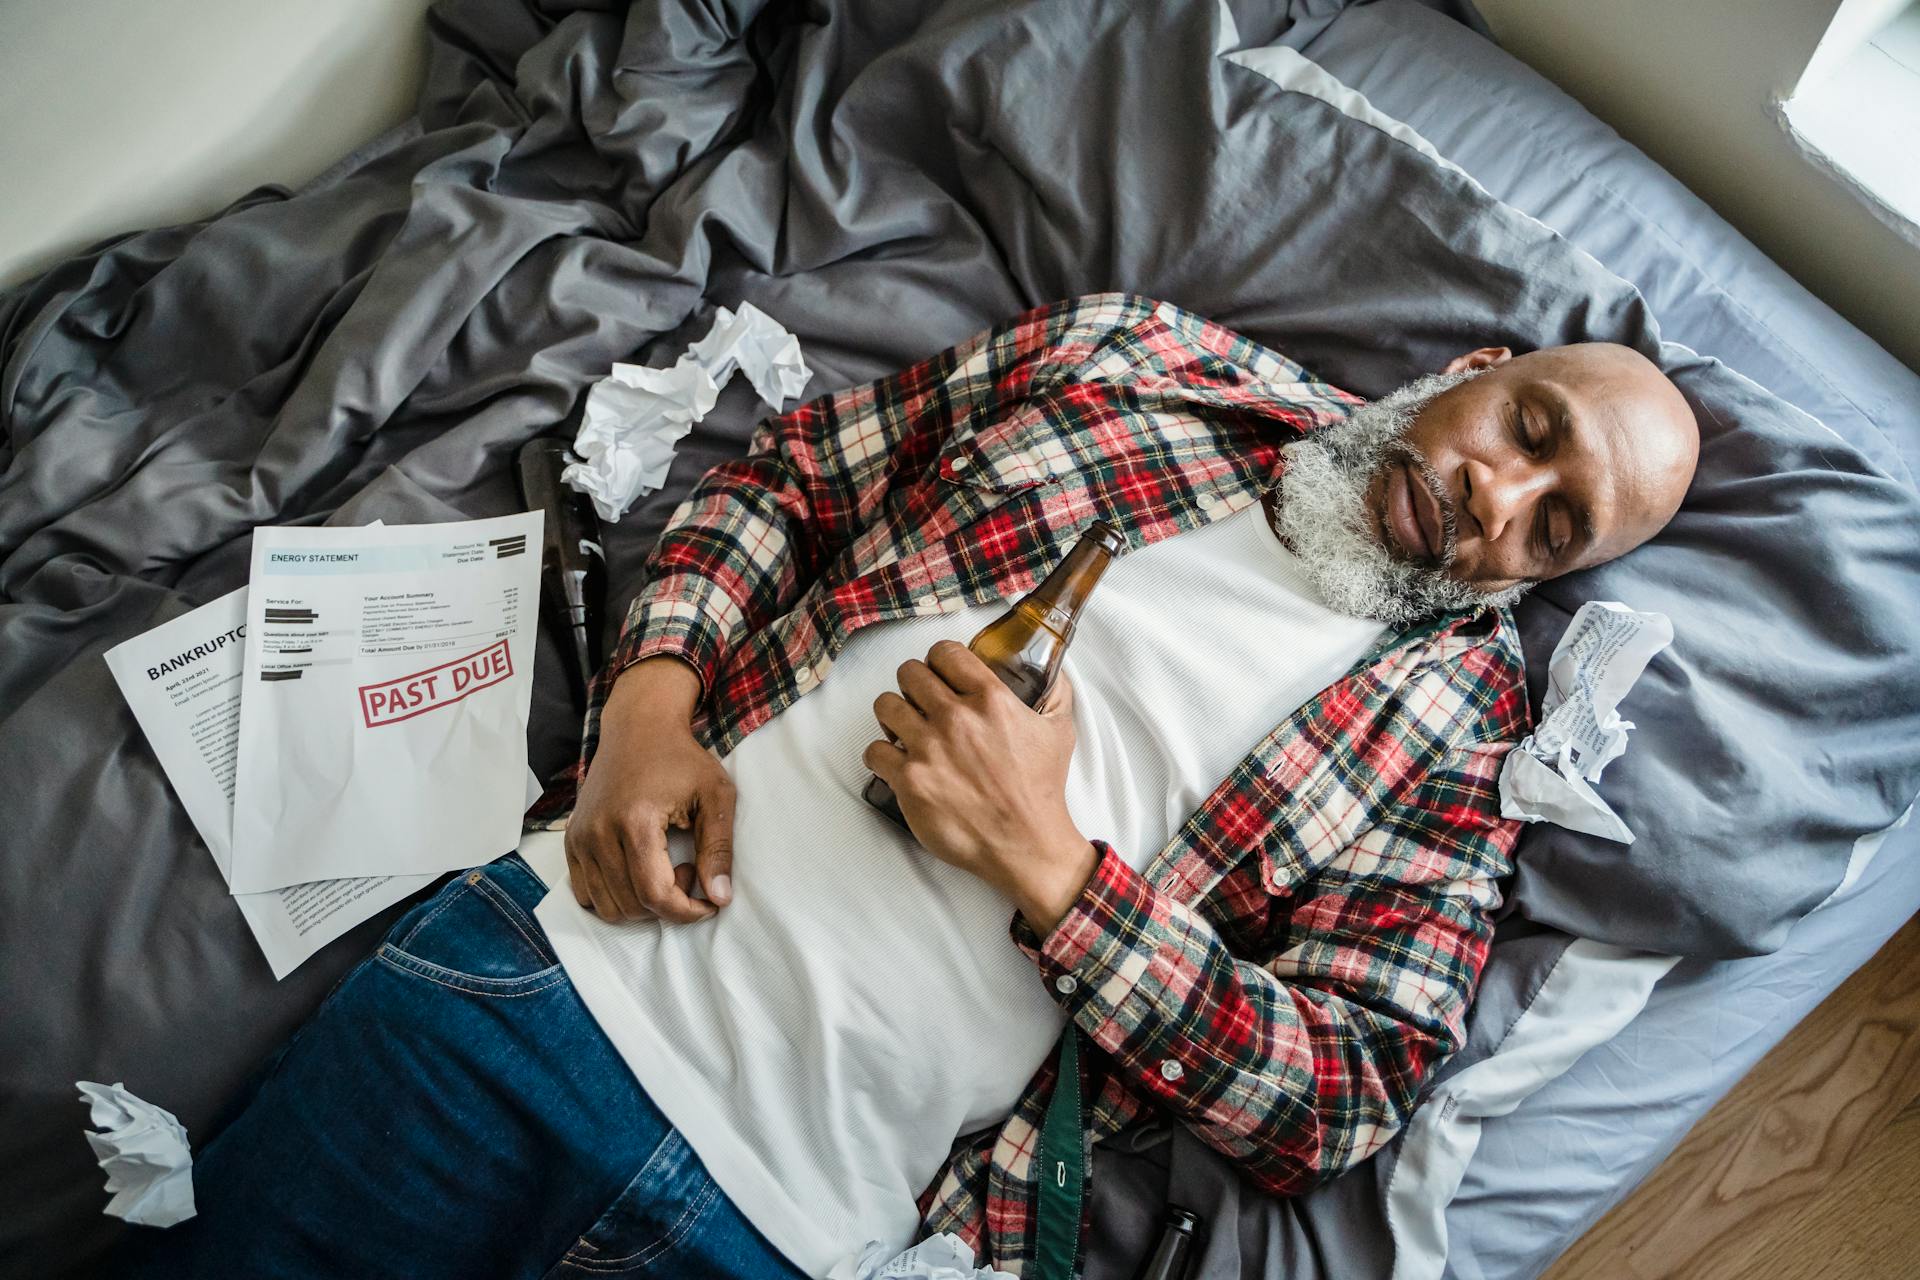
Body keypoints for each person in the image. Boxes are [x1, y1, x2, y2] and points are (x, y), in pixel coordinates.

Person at [123, 295, 1699, 1280]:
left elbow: (1341, 1095)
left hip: (798, 1229)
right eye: (1528, 428)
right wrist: (649, 717)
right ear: (1478, 367)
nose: (1501, 491)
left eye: (1553, 527)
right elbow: (796, 479)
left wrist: (1059, 873)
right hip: (535, 994)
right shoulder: (1135, 362)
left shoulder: (1456, 750)